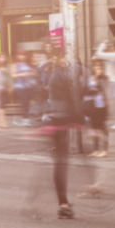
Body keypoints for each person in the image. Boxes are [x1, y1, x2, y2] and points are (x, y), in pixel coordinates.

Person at [41, 53, 85, 219]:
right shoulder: (61, 76)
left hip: (58, 121)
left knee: (60, 164)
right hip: (59, 122)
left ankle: (63, 204)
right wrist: (77, 118)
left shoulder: (58, 75)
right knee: (60, 164)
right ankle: (63, 205)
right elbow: (63, 102)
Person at [85, 59, 110, 157]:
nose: (97, 67)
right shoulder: (90, 78)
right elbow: (86, 90)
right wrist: (93, 89)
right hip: (92, 106)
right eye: (95, 66)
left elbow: (103, 90)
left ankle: (104, 150)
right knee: (94, 128)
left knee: (102, 127)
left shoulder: (104, 78)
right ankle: (96, 150)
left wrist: (98, 78)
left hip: (101, 105)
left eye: (99, 66)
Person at [12, 50, 39, 126]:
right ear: (17, 56)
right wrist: (22, 75)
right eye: (20, 55)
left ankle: (26, 119)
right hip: (20, 86)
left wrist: (29, 73)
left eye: (24, 55)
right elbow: (13, 75)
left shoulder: (29, 64)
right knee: (24, 102)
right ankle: (25, 119)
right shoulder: (15, 65)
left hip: (30, 86)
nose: (22, 57)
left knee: (28, 103)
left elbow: (35, 74)